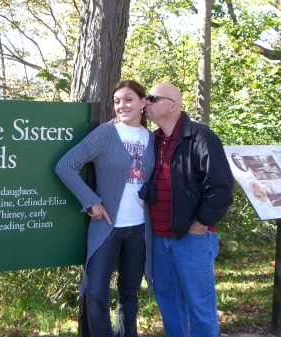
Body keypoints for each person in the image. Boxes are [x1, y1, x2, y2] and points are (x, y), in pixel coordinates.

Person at [55, 80, 155, 337]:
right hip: (107, 228)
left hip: (140, 229)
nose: (122, 105)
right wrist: (91, 201)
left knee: (129, 294)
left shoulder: (152, 139)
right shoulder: (106, 134)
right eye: (118, 101)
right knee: (96, 293)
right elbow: (65, 166)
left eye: (129, 99)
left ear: (144, 102)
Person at [144, 83, 234, 337]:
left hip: (191, 239)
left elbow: (221, 188)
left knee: (200, 307)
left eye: (152, 97)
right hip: (159, 241)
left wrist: (200, 225)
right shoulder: (152, 140)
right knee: (169, 305)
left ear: (173, 105)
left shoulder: (200, 137)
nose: (146, 102)